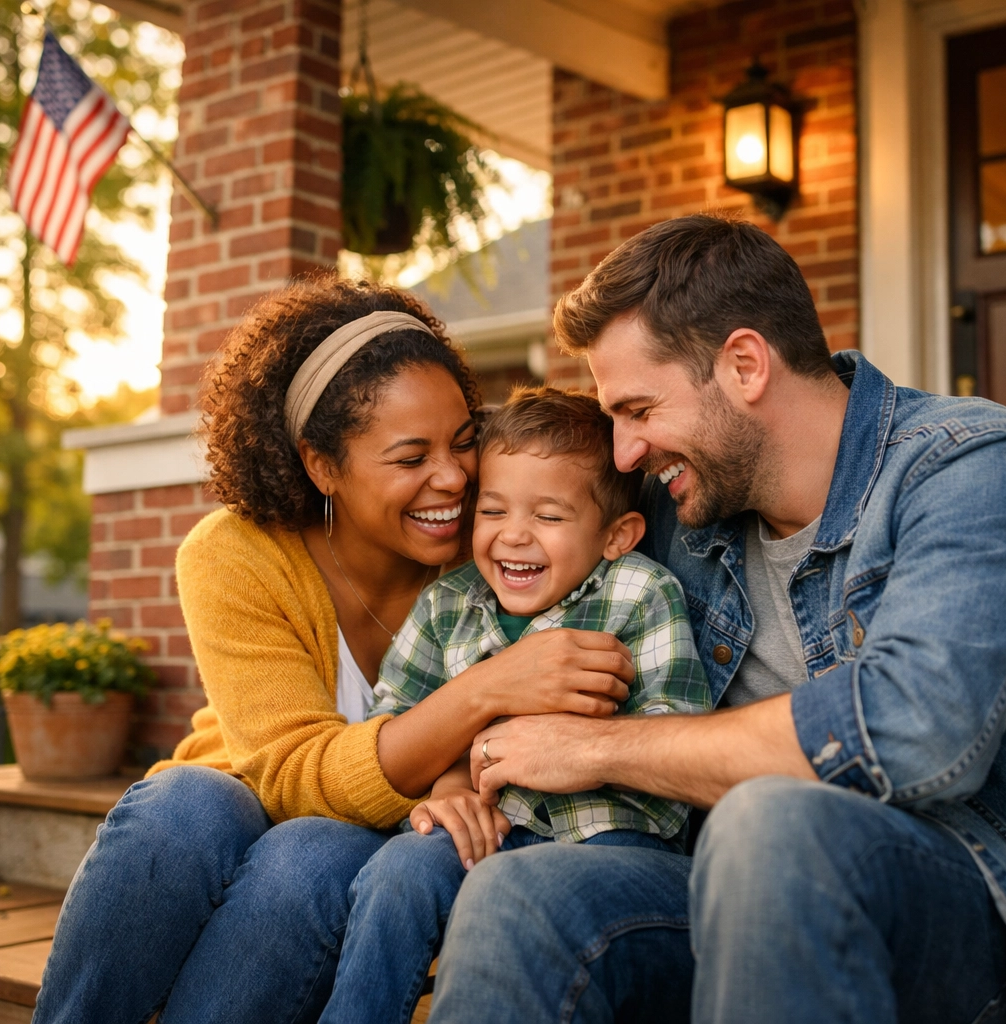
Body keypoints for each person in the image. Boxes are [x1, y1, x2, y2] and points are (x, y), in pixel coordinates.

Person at [428, 215, 1006, 1024]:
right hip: (711, 880)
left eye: (638, 409)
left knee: (769, 823)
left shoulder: (964, 466)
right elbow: (512, 556)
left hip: (949, 897)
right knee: (518, 891)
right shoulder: (682, 508)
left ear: (743, 364)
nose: (624, 454)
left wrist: (596, 748)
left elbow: (915, 725)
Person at [32, 278, 636, 1024]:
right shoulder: (235, 554)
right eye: (410, 456)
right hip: (248, 804)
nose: (451, 478)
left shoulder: (503, 552)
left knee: (312, 855)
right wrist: (487, 689)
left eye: (463, 440)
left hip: (380, 851)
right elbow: (288, 772)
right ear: (322, 466)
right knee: (184, 804)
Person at [318, 386, 711, 1024]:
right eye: (493, 511)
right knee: (400, 871)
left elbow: (682, 731)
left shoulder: (640, 594)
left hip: (611, 838)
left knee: (541, 906)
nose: (513, 536)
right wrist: (445, 781)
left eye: (549, 517)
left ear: (617, 535)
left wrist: (587, 747)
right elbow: (390, 723)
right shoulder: (449, 605)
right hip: (485, 830)